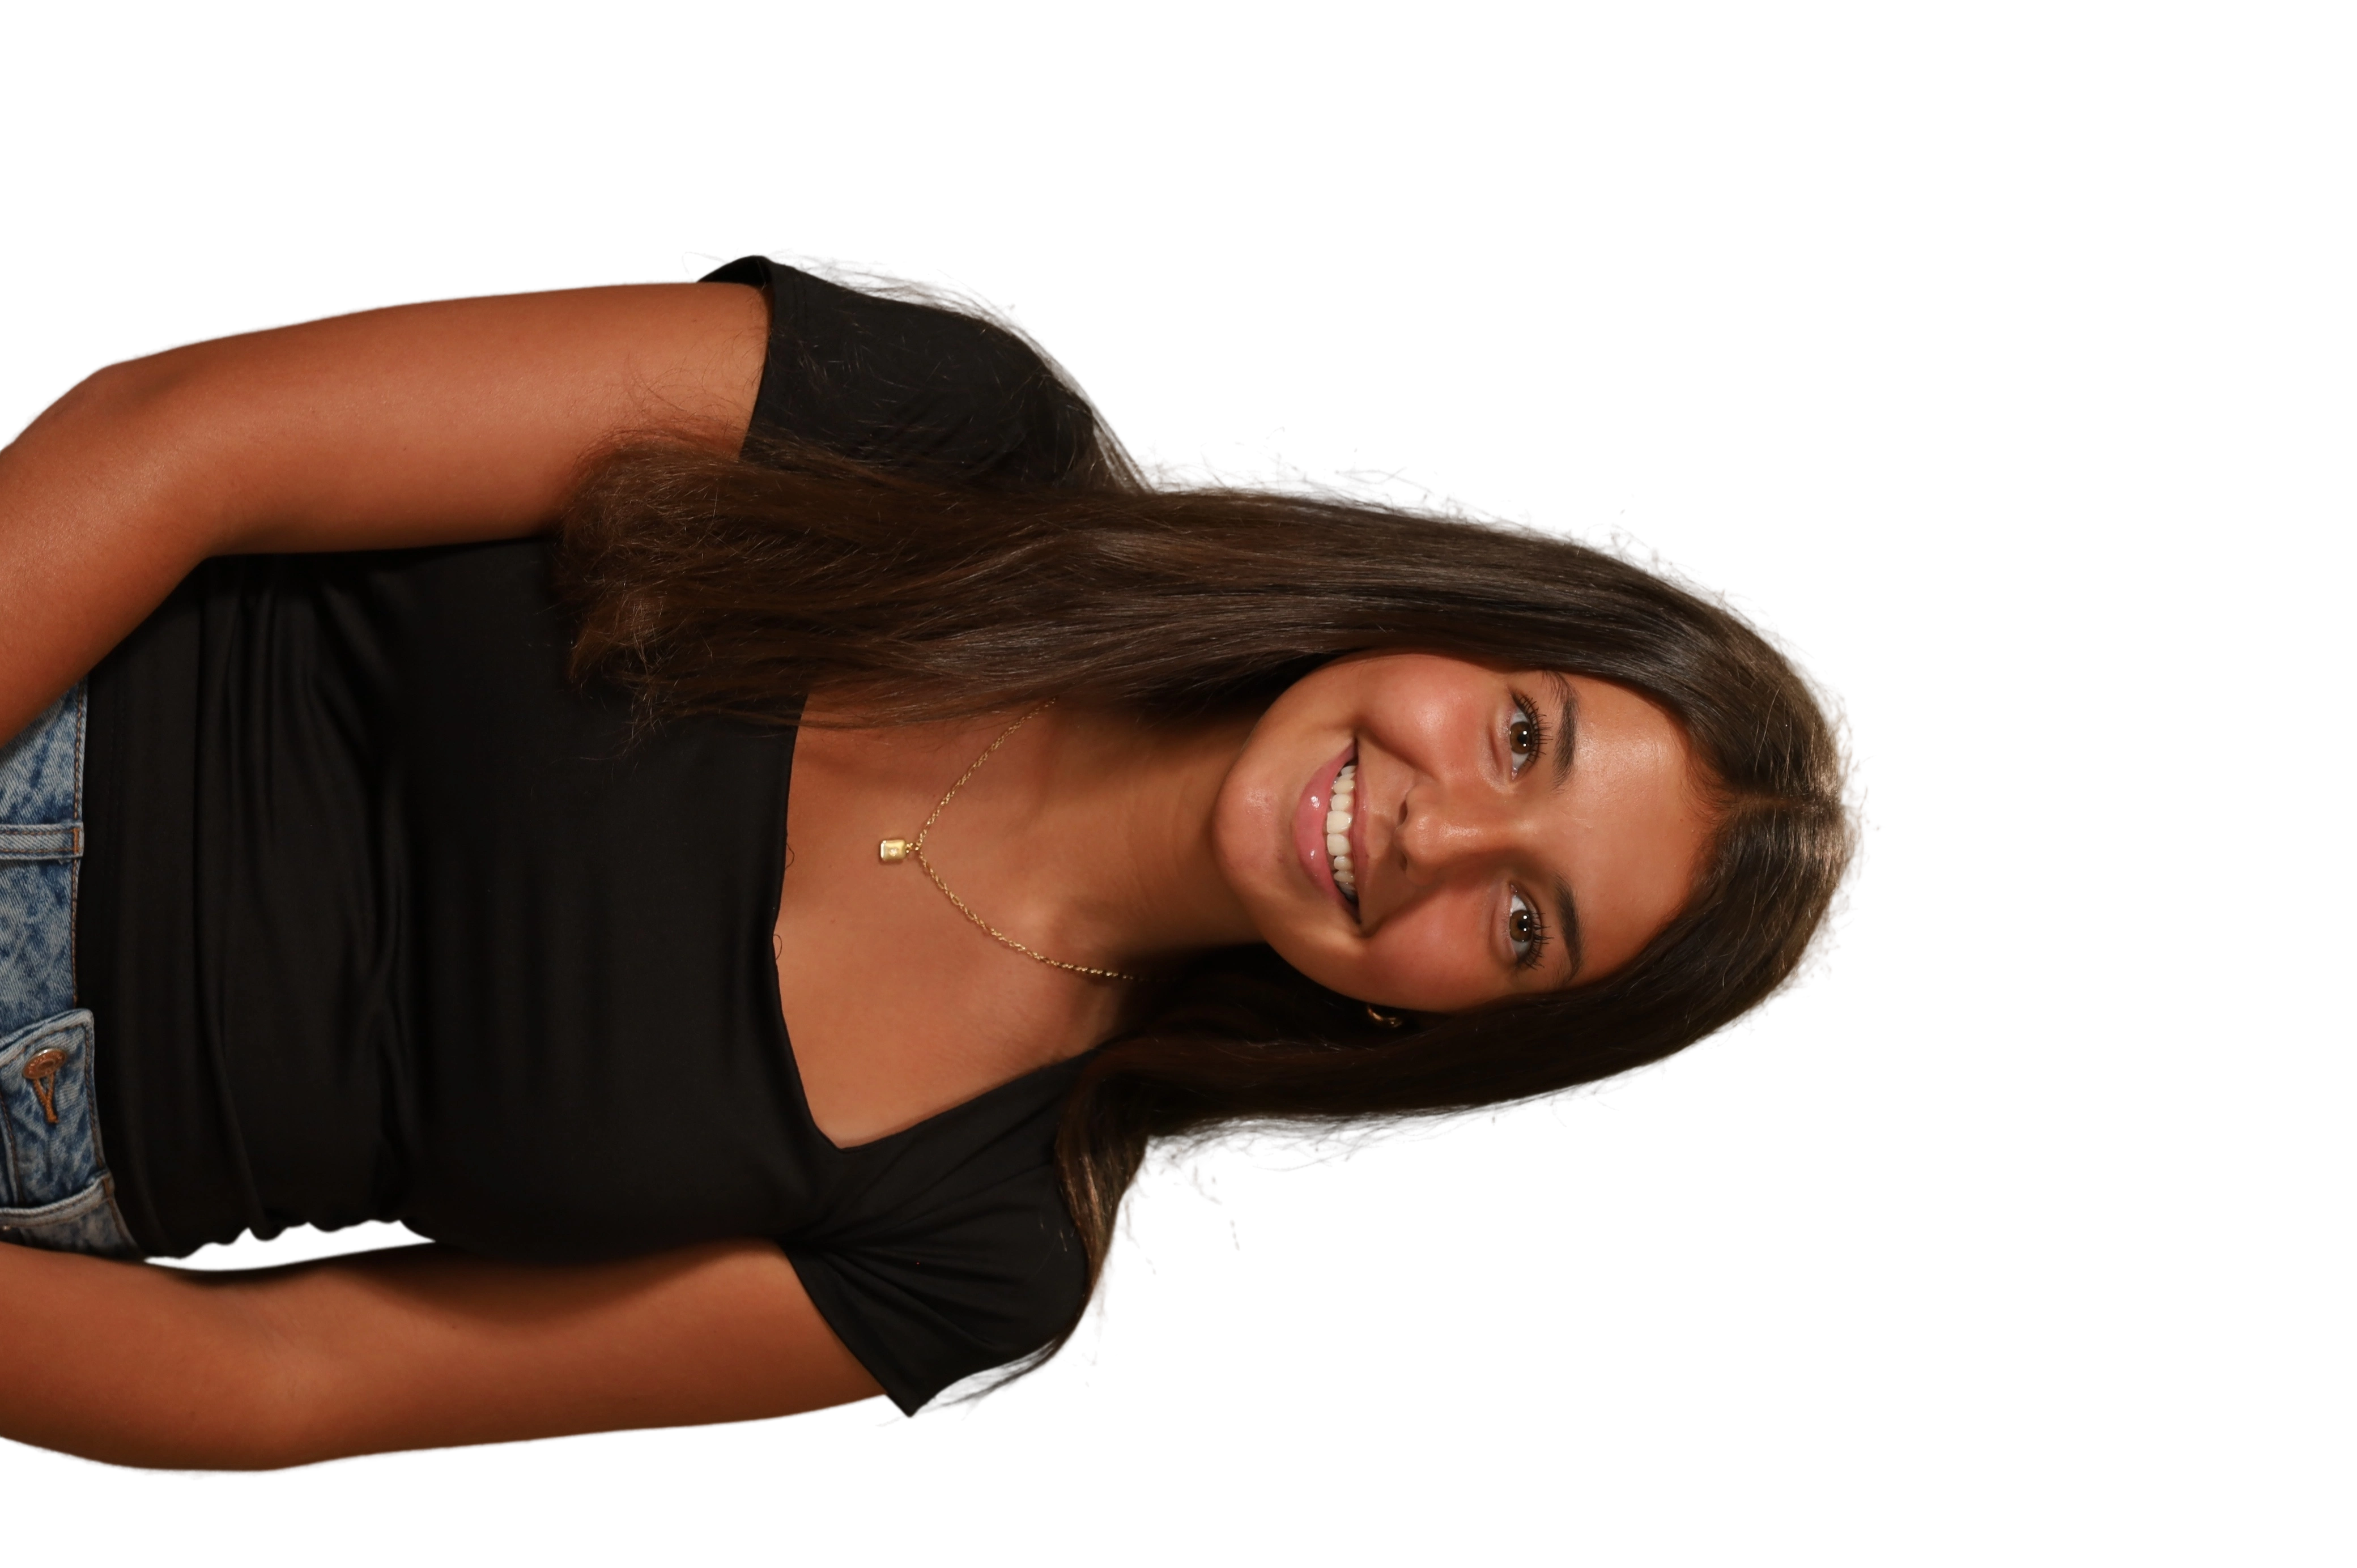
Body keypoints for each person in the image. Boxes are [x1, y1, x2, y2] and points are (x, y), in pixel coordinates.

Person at [0, 248, 1871, 1477]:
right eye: (1524, 736)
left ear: (1472, 1026)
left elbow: (294, 1383)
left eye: (1528, 922)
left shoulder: (979, 1253)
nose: (1436, 830)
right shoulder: (950, 437)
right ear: (1473, 619)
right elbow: (189, 440)